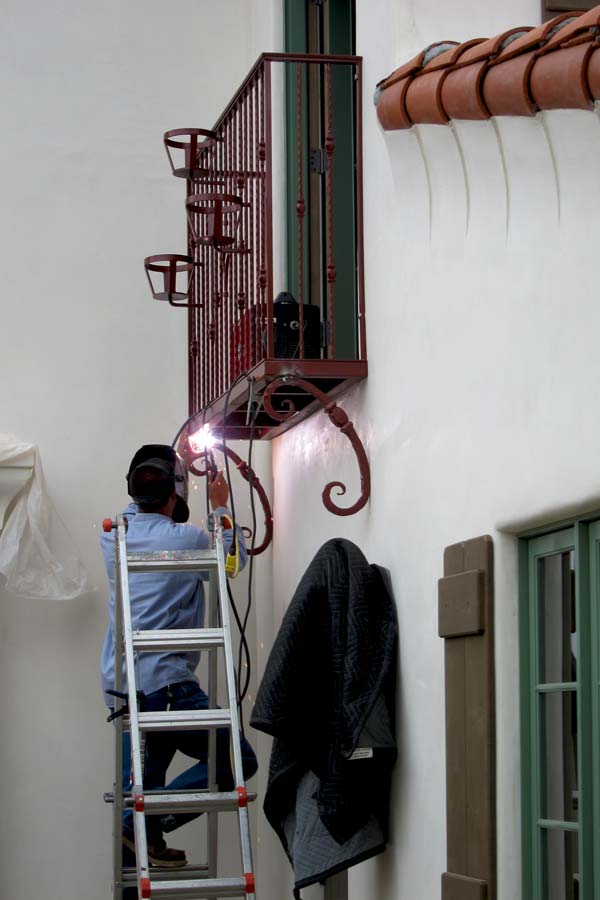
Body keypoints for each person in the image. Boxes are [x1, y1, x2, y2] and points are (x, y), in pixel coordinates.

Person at [100, 444, 257, 869]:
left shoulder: (113, 532)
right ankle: (142, 822)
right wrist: (221, 505)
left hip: (123, 688)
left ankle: (144, 832)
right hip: (168, 685)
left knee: (144, 784)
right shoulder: (187, 538)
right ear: (177, 490)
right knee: (238, 761)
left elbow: (143, 507)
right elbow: (232, 560)